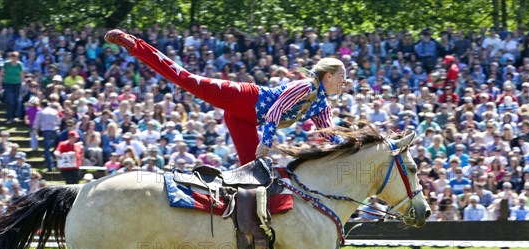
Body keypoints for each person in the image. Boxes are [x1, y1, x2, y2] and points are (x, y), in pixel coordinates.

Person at [105, 29, 350, 165]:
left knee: (251, 170)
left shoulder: (322, 106)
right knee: (186, 79)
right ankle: (133, 44)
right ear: (328, 76)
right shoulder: (305, 86)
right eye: (342, 75)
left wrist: (356, 146)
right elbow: (275, 111)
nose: (345, 81)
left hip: (244, 120)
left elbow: (328, 135)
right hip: (243, 98)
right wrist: (266, 143)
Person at [0, 51, 24, 124]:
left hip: (17, 84)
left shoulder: (20, 64)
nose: (14, 59)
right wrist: (0, 84)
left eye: (16, 57)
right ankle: (9, 117)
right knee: (9, 100)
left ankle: (15, 116)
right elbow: (0, 74)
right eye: (13, 57)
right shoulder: (6, 64)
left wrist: (22, 84)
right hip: (7, 83)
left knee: (16, 100)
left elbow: (22, 75)